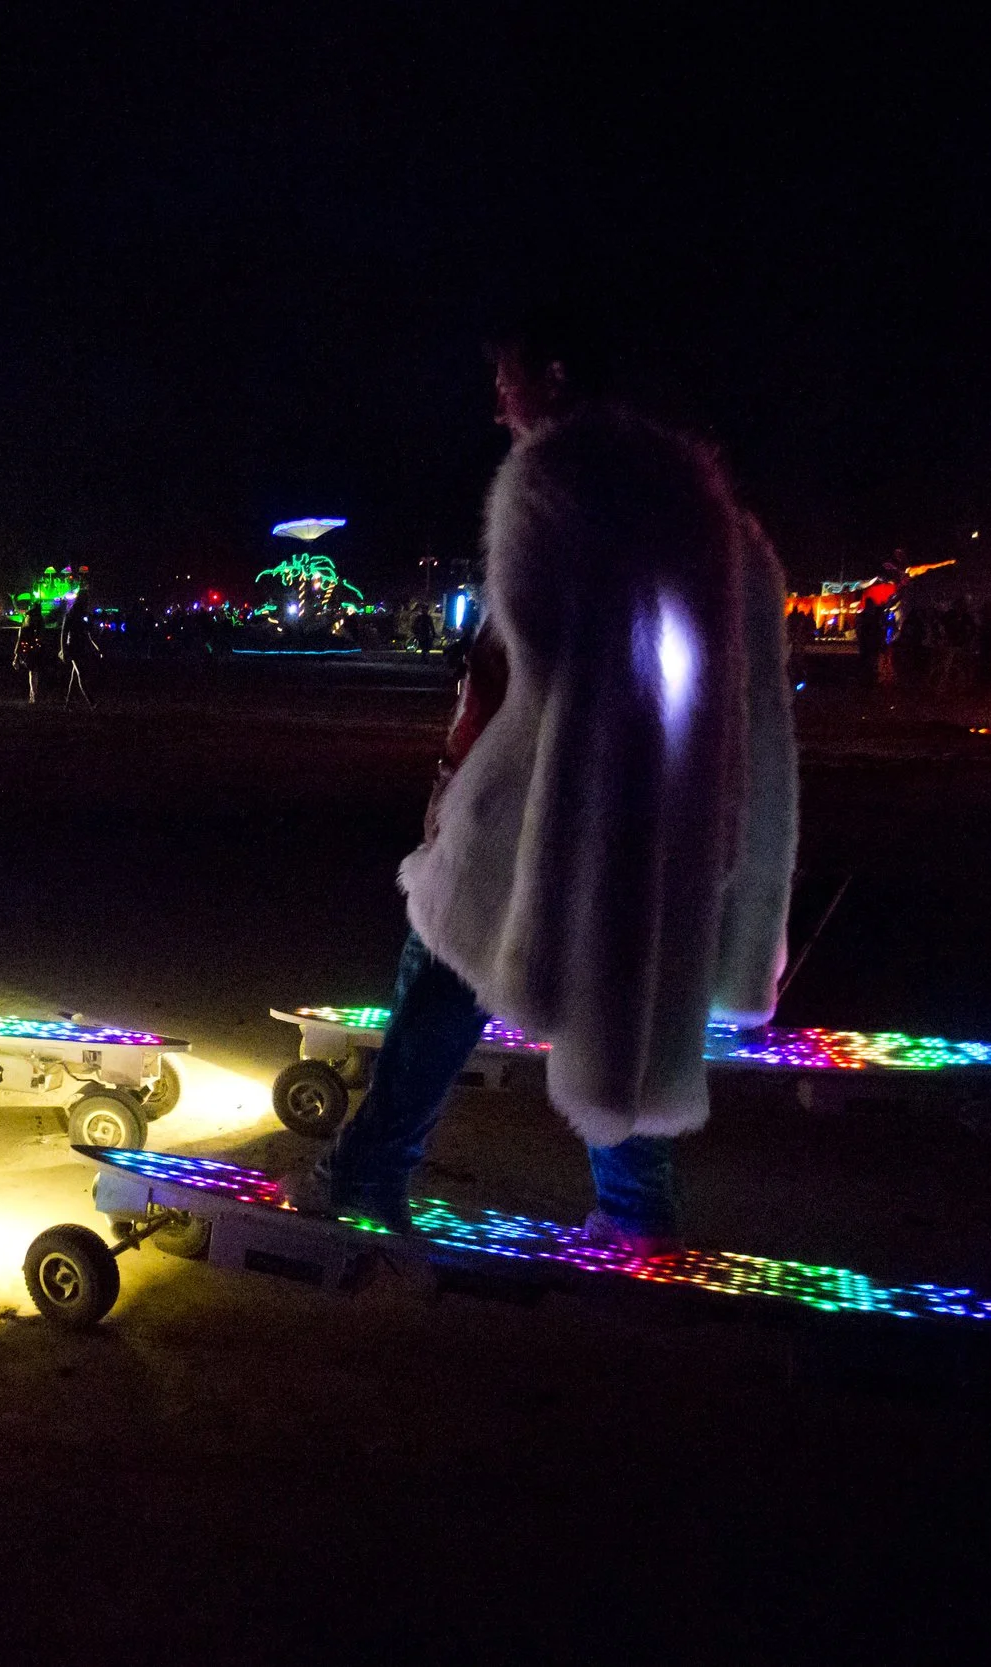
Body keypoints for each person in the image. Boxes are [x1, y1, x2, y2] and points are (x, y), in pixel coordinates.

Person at [310, 317, 797, 1256]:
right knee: (634, 998)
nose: (497, 397)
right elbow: (753, 721)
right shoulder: (723, 529)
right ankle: (636, 1214)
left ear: (558, 377)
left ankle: (367, 1172)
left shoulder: (559, 491)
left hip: (538, 813)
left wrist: (456, 792)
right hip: (661, 829)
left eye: (508, 373)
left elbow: (509, 680)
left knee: (443, 967)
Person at [59, 587, 102, 708]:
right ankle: (92, 702)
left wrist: (95, 646)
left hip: (80, 647)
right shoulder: (72, 614)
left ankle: (68, 703)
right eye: (87, 599)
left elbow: (88, 632)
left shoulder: (82, 614)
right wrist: (64, 650)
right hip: (74, 647)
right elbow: (64, 632)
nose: (88, 601)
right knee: (81, 674)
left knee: (75, 675)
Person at [12, 597, 54, 703]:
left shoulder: (27, 617)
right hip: (37, 648)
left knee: (33, 671)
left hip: (28, 648)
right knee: (36, 671)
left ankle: (33, 695)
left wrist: (17, 653)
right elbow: (42, 634)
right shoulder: (39, 618)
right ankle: (36, 695)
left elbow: (21, 634)